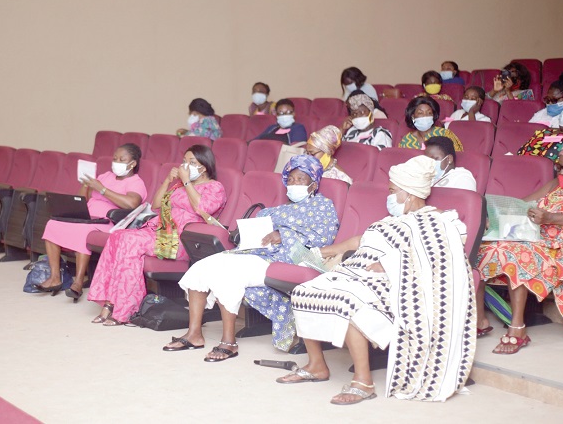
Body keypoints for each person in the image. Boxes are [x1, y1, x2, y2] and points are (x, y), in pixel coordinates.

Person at [282, 156, 474, 405]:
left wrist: (390, 264)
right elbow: (360, 241)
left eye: (393, 191)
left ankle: (363, 382)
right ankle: (317, 365)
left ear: (409, 193)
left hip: (396, 280)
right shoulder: (391, 220)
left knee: (348, 300)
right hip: (356, 269)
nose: (389, 196)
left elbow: (443, 253)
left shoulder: (436, 220)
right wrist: (322, 252)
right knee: (305, 290)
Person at [164, 155, 339, 358]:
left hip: (284, 258)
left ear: (313, 184)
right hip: (255, 252)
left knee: (229, 274)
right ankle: (194, 334)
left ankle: (228, 342)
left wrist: (283, 235)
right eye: (290, 180)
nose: (294, 183)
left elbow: (323, 238)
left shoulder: (323, 207)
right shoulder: (280, 209)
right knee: (202, 267)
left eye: (300, 179)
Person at [477, 138, 563, 354]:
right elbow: (523, 204)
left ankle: (518, 330)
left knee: (518, 254)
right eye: (558, 165)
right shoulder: (555, 183)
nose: (561, 171)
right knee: (480, 248)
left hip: (561, 242)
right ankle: (479, 320)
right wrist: (496, 215)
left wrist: (548, 217)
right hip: (533, 234)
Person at [88, 145, 226, 325]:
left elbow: (202, 208)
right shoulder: (178, 185)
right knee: (118, 236)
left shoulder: (215, 187)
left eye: (192, 162)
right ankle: (110, 302)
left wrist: (186, 183)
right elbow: (155, 205)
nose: (186, 165)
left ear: (204, 166)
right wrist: (168, 181)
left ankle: (125, 308)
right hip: (158, 231)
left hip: (182, 240)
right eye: (184, 161)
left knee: (129, 241)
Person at [35, 144, 148, 301]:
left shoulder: (135, 182)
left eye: (122, 159)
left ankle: (78, 282)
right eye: (115, 158)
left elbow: (131, 204)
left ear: (133, 163)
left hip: (109, 222)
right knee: (52, 224)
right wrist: (86, 185)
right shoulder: (105, 176)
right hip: (86, 216)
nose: (116, 162)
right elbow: (83, 198)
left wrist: (102, 190)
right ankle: (55, 278)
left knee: (84, 232)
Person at [398, 97, 464, 151]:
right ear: (413, 116)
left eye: (429, 113)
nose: (425, 116)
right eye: (420, 113)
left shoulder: (445, 134)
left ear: (433, 116)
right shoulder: (406, 140)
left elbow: (458, 157)